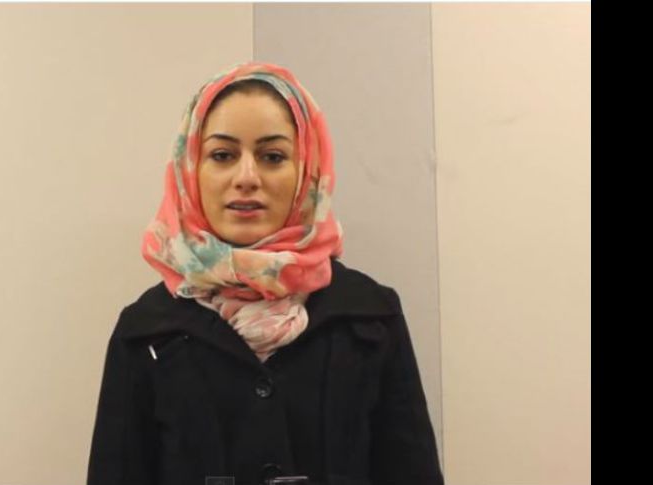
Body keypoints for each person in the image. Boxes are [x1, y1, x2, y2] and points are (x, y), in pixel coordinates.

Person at [87, 61, 444, 485]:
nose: (247, 177)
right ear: (190, 168)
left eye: (272, 157)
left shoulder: (370, 315)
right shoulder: (145, 330)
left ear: (307, 169)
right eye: (222, 155)